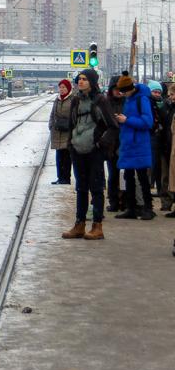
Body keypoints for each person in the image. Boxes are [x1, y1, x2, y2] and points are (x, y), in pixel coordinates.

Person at [63, 68, 119, 241]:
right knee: (81, 188)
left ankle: (97, 226)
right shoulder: (76, 101)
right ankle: (79, 225)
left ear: (92, 82)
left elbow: (113, 127)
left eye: (85, 79)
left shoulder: (101, 101)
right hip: (78, 149)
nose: (81, 82)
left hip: (94, 151)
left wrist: (101, 144)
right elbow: (72, 124)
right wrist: (70, 144)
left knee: (96, 189)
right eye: (79, 79)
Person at [113, 72, 156, 220]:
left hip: (139, 144)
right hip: (129, 143)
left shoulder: (142, 99)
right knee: (129, 176)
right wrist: (121, 119)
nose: (122, 94)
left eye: (123, 92)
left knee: (143, 178)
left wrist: (126, 120)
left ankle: (148, 209)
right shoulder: (130, 99)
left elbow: (147, 122)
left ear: (128, 89)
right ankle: (131, 208)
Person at [48, 78, 76, 185]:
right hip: (57, 131)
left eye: (63, 87)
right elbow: (52, 114)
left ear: (68, 88)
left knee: (66, 156)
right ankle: (60, 177)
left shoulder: (73, 99)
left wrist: (71, 125)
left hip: (67, 131)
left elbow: (74, 114)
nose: (61, 89)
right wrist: (51, 125)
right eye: (60, 87)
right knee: (59, 156)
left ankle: (66, 178)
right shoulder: (57, 100)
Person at [106, 76, 125, 210]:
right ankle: (113, 201)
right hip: (111, 144)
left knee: (124, 174)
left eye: (120, 89)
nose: (118, 91)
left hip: (125, 142)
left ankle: (124, 201)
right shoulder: (106, 103)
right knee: (113, 174)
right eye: (115, 89)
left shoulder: (128, 102)